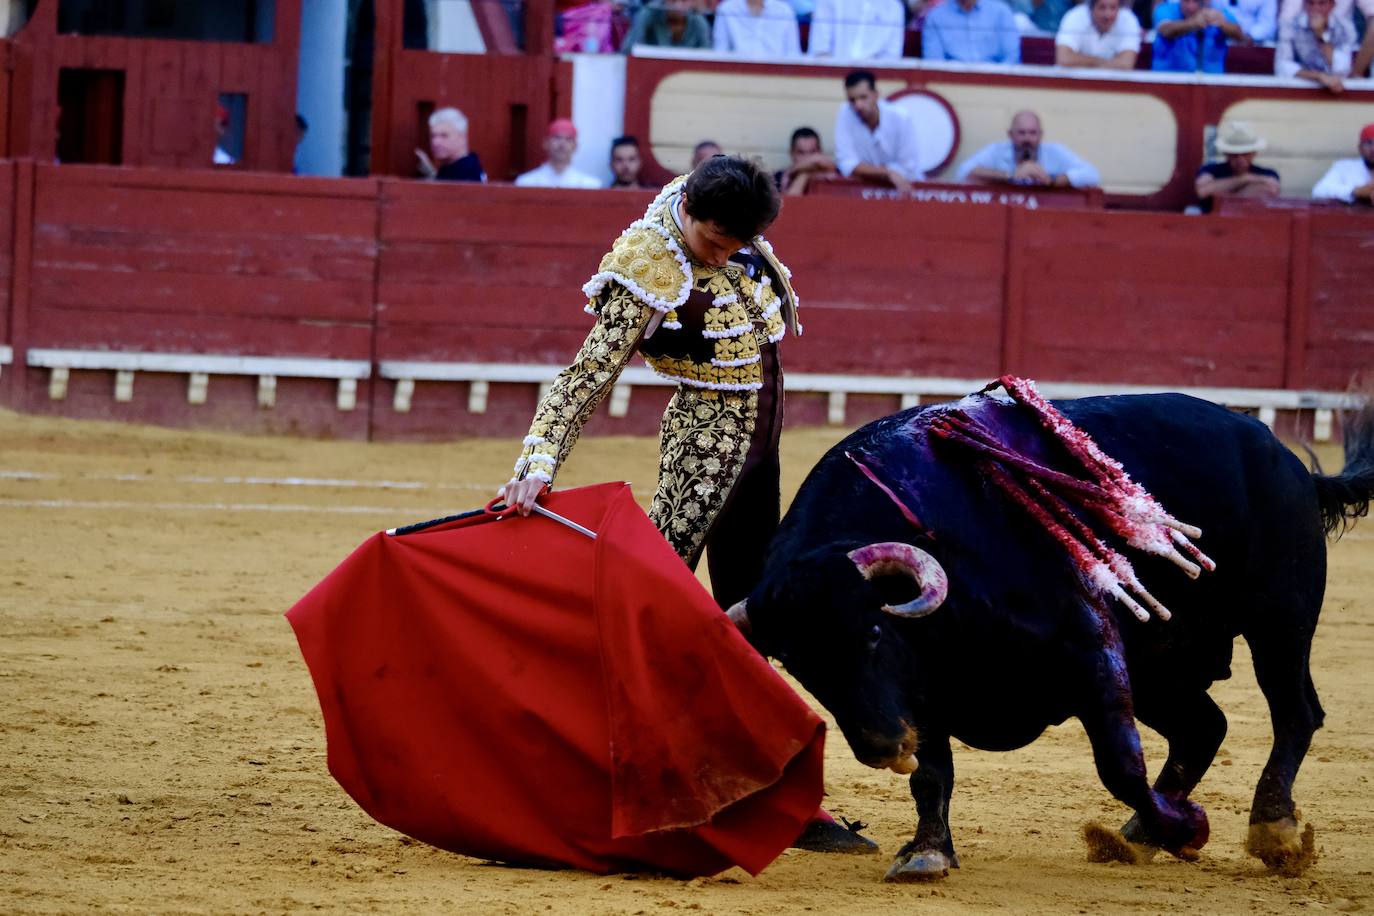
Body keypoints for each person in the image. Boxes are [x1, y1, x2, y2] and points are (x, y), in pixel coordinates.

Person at [498, 156, 875, 855]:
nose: (726, 254)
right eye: (715, 243)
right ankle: (620, 772)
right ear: (691, 217)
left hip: (760, 445)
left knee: (756, 616)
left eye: (738, 245)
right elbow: (583, 378)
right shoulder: (646, 269)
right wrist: (536, 463)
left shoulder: (718, 199)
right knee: (665, 612)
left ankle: (769, 791)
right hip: (705, 454)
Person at [955, 110, 1100, 188]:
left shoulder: (1054, 151)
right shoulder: (997, 150)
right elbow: (963, 172)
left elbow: (1092, 175)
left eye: (1032, 133)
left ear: (1041, 135)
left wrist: (1052, 180)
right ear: (1010, 134)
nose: (1027, 139)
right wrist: (1010, 175)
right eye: (1021, 133)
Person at [833, 70, 924, 192]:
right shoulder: (845, 112)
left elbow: (908, 167)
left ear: (876, 95)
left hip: (904, 190)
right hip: (862, 190)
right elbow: (846, 163)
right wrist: (887, 173)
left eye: (863, 97)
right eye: (852, 100)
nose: (858, 105)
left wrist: (868, 171)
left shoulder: (900, 117)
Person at [1194, 121, 1280, 213]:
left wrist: (1223, 194)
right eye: (1234, 154)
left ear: (1254, 153)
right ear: (1226, 154)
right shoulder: (1210, 169)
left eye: (1245, 154)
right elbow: (1202, 191)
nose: (1240, 158)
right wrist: (1245, 179)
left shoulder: (1267, 173)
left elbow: (1272, 188)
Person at [1274, 0, 1356, 92]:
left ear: (1332, 5)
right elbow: (1282, 66)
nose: (1315, 9)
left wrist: (1320, 35)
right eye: (1310, 3)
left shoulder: (1344, 28)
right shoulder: (1289, 25)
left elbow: (1342, 69)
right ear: (1304, 5)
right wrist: (1318, 76)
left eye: (1322, 3)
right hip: (1298, 91)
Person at [1151, 0, 1243, 73]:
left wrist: (1222, 24)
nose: (1190, 7)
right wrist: (1193, 23)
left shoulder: (1217, 13)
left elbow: (1240, 36)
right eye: (1186, 1)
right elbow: (1166, 30)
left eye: (1196, 1)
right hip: (1168, 80)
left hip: (1212, 83)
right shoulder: (1165, 10)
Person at [921, 0, 1022, 63]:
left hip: (996, 84)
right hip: (953, 84)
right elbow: (934, 64)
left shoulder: (1002, 12)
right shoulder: (936, 17)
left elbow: (1012, 58)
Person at [515, 119, 603, 189]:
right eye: (557, 138)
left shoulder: (589, 185)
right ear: (546, 143)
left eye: (568, 139)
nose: (562, 144)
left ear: (575, 146)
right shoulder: (526, 183)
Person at [1055, 0, 1143, 69]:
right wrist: (1103, 62)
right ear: (1091, 9)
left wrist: (1084, 62)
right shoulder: (1074, 16)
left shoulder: (1129, 19)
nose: (1107, 15)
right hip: (1074, 84)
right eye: (1102, 7)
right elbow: (1064, 59)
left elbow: (1126, 64)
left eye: (1113, 8)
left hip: (1113, 86)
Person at [807, 0, 906, 60]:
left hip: (872, 82)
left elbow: (891, 57)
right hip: (831, 78)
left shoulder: (894, 8)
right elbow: (819, 51)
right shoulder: (829, 1)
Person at [712, 0, 803, 57]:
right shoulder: (727, 8)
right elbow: (720, 52)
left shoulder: (784, 10)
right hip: (737, 75)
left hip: (776, 76)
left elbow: (793, 54)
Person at [1310, 123, 1374, 204]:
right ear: (1360, 148)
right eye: (1368, 143)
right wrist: (1354, 191)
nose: (1373, 149)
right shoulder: (1344, 167)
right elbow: (1318, 192)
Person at [418, 107, 487, 182]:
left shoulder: (467, 172)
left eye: (444, 136)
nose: (435, 142)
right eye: (433, 136)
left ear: (462, 138)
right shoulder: (456, 165)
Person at [620, 0, 712, 50]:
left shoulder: (699, 23)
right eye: (673, 0)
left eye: (684, 1)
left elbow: (706, 59)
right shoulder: (648, 14)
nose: (678, 6)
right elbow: (629, 50)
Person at [776, 127, 838, 195]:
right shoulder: (777, 179)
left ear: (820, 152)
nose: (807, 158)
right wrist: (803, 175)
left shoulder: (834, 173)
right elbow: (790, 203)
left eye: (812, 152)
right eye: (801, 152)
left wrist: (794, 171)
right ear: (792, 153)